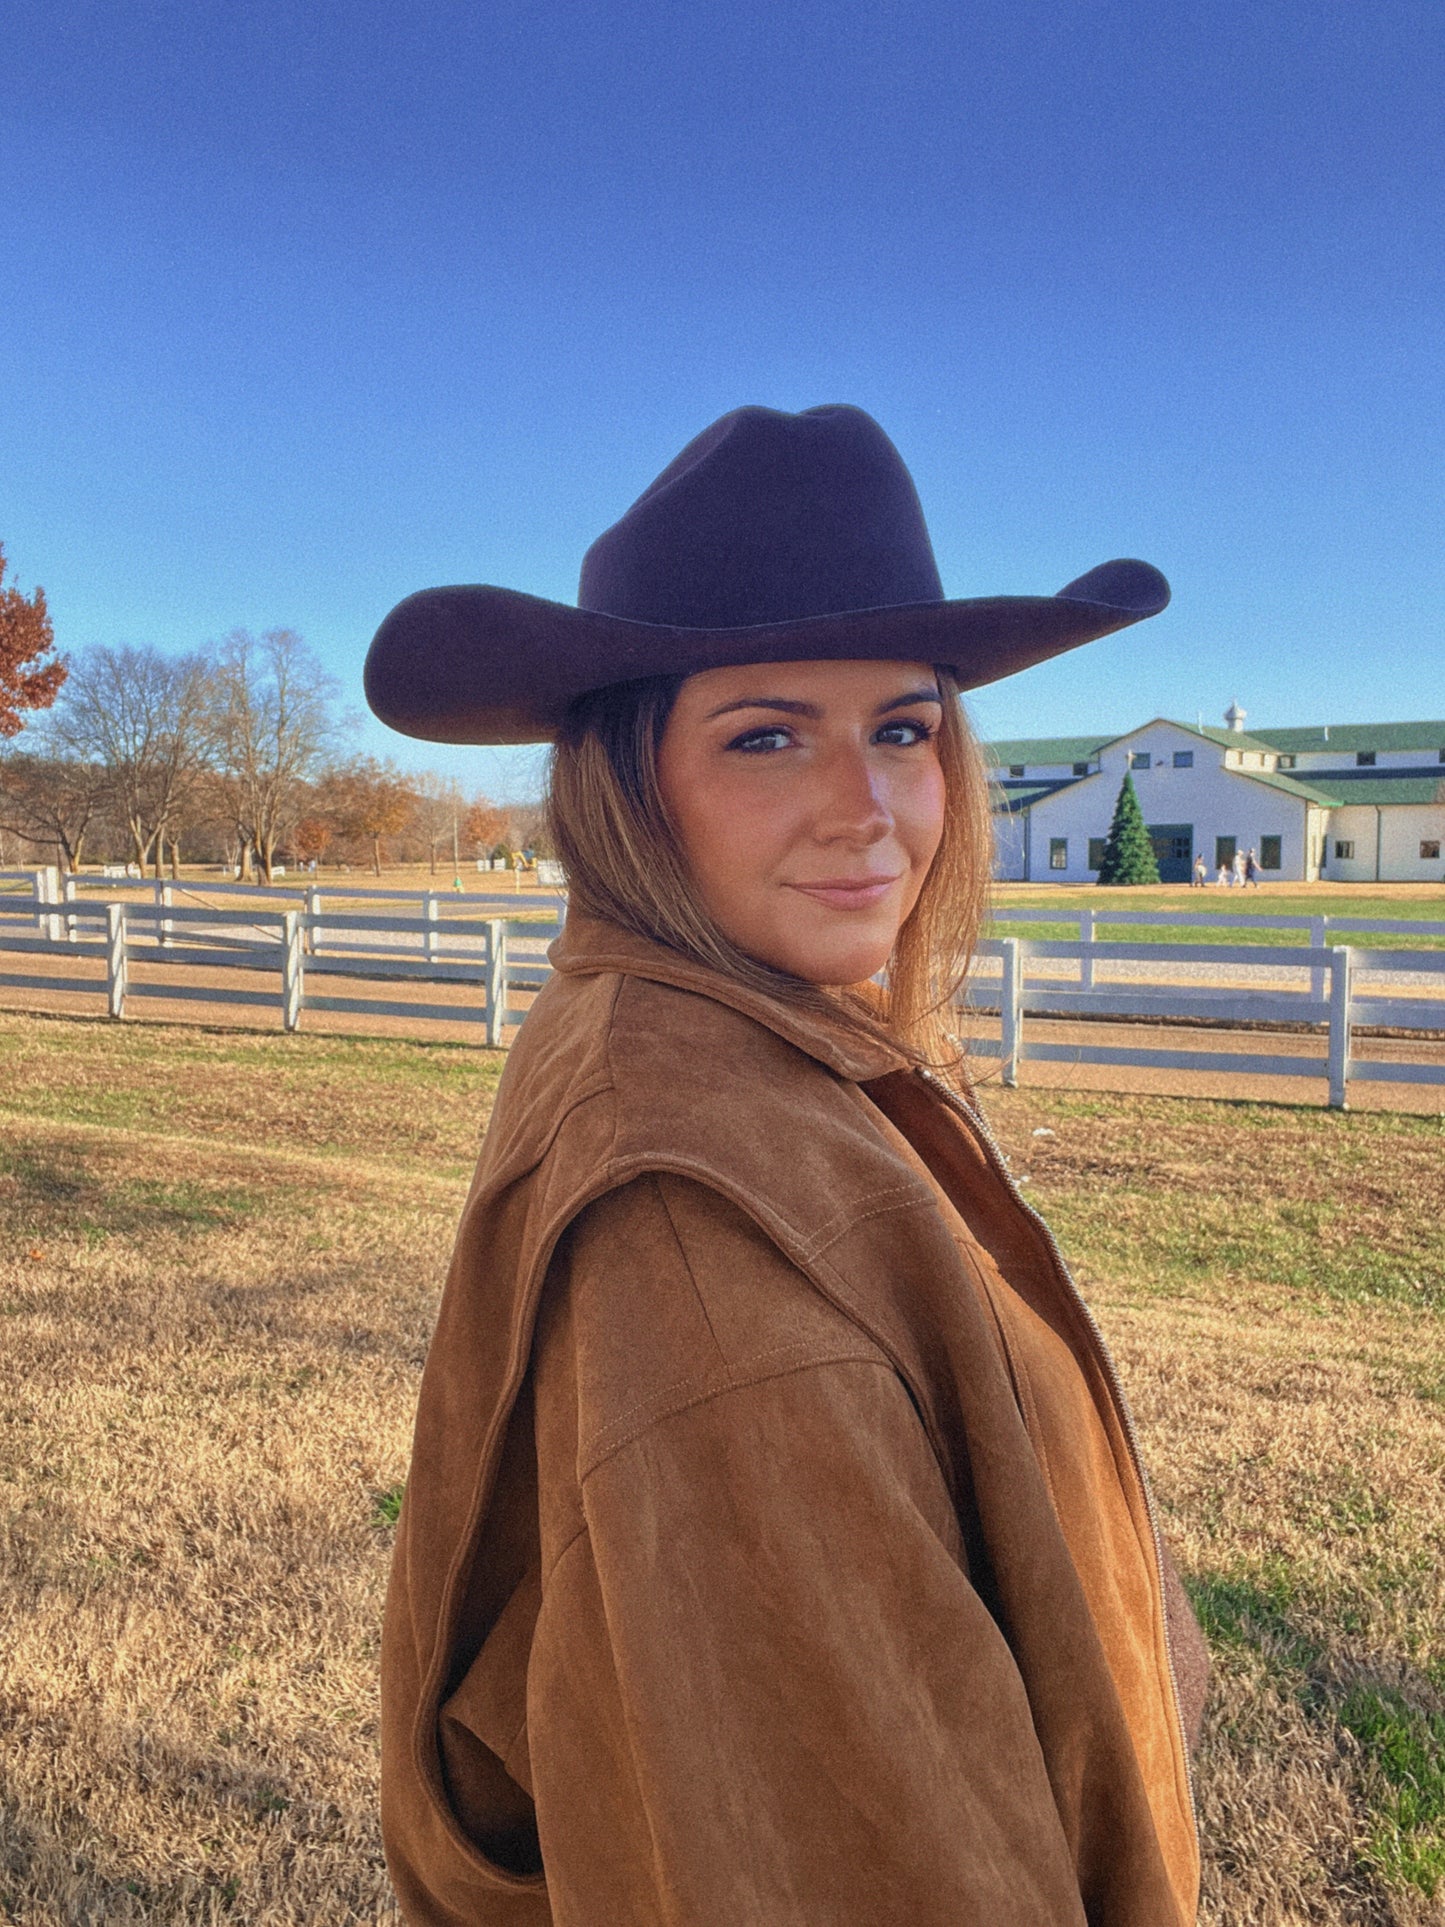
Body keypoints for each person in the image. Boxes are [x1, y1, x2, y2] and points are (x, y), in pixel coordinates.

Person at [364, 405, 1208, 1926]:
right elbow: (852, 1853)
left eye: (901, 728)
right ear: (629, 779)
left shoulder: (714, 1031)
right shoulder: (701, 1220)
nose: (867, 808)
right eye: (765, 735)